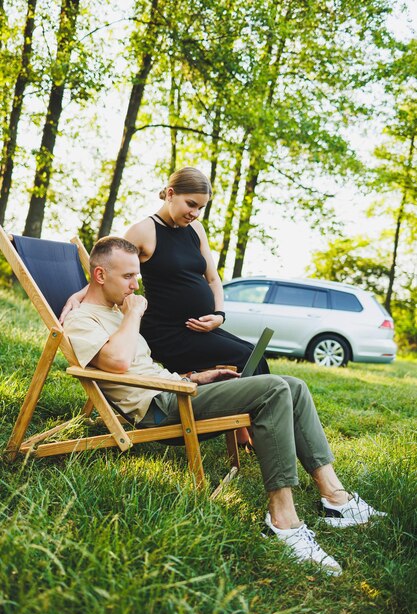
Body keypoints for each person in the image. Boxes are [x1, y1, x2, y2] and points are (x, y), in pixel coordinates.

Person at [63, 236, 387, 577]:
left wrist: (197, 377)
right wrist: (136, 313)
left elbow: (144, 366)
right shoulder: (82, 320)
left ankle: (334, 498)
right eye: (128, 276)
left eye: (137, 276)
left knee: (294, 385)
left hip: (177, 389)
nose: (135, 285)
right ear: (100, 276)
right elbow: (116, 363)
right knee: (274, 390)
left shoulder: (118, 311)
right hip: (161, 408)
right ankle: (283, 521)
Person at [60, 166, 269, 448]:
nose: (195, 212)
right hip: (167, 332)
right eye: (191, 204)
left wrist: (219, 315)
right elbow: (112, 267)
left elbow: (213, 278)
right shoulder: (144, 230)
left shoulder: (196, 229)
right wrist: (79, 294)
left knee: (256, 354)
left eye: (201, 207)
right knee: (245, 355)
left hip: (199, 328)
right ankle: (254, 430)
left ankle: (248, 426)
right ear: (170, 194)